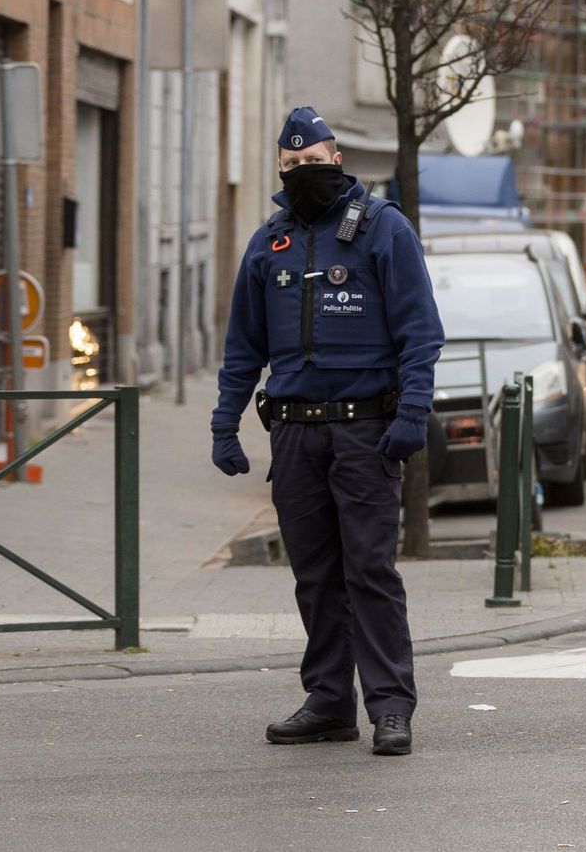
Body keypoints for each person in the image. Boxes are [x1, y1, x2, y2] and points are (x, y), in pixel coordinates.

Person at [210, 106, 444, 757]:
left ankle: (390, 706)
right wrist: (224, 423)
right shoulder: (269, 243)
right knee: (314, 574)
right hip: (294, 435)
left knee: (369, 570)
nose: (305, 173)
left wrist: (411, 414)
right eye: (293, 167)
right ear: (281, 172)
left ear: (337, 162)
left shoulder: (382, 230)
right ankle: (329, 701)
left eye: (315, 163)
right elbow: (242, 347)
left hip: (365, 432)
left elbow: (420, 332)